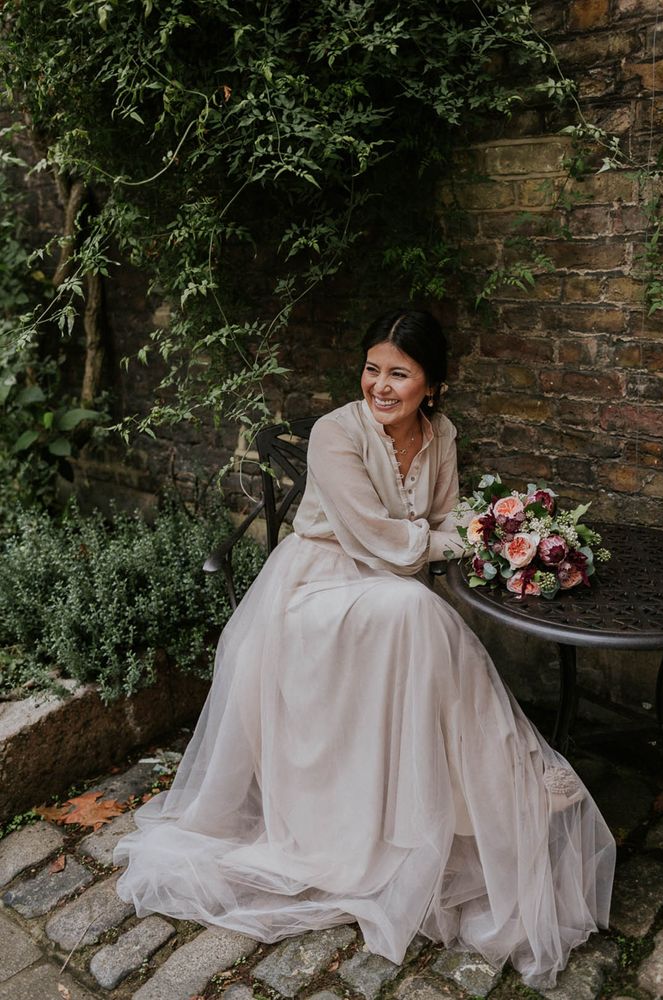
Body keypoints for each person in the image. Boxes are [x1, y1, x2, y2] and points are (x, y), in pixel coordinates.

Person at [115, 309, 615, 989]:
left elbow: (439, 518)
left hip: (386, 597)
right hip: (316, 590)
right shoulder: (334, 433)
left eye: (399, 374)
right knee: (417, 612)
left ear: (431, 386)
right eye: (372, 368)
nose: (380, 385)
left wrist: (482, 536)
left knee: (417, 617)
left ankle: (485, 798)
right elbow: (383, 540)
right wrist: (465, 541)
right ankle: (517, 776)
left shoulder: (441, 436)